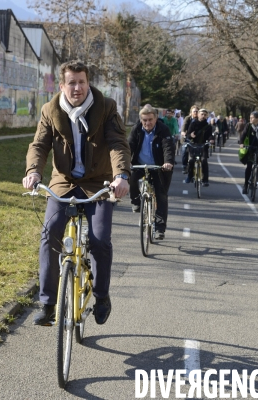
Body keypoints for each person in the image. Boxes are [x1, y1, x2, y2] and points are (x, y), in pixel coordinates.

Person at [23, 60, 131, 326]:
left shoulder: (106, 107)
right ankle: (48, 303)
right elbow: (39, 144)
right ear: (62, 86)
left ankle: (102, 296)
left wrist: (121, 176)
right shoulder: (50, 110)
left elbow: (118, 143)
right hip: (63, 181)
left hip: (99, 183)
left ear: (88, 83)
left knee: (99, 240)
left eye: (82, 82)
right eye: (71, 82)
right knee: (49, 236)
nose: (77, 88)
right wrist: (34, 172)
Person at [128, 105, 174, 240]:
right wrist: (126, 161)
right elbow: (129, 146)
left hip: (159, 167)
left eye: (150, 120)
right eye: (144, 120)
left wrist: (168, 162)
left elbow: (168, 147)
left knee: (161, 196)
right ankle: (136, 202)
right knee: (131, 179)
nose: (147, 123)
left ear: (156, 118)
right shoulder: (136, 129)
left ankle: (160, 229)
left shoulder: (163, 129)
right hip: (140, 164)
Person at [238, 111, 258, 194]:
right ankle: (245, 185)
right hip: (250, 147)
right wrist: (241, 143)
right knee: (249, 166)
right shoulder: (248, 125)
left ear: (257, 119)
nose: (250, 119)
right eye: (250, 117)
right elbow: (243, 134)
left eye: (252, 118)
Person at [184, 108, 213, 186]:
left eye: (205, 115)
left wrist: (211, 140)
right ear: (198, 115)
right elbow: (188, 135)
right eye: (202, 114)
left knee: (204, 161)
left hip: (203, 146)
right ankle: (189, 176)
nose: (203, 116)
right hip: (194, 145)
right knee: (191, 161)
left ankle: (205, 180)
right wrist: (191, 135)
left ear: (207, 116)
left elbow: (210, 136)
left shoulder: (208, 126)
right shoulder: (193, 124)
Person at [181, 105, 199, 173]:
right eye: (194, 111)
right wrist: (183, 133)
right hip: (187, 138)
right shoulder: (187, 118)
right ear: (191, 112)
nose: (195, 113)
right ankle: (184, 166)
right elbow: (184, 127)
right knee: (185, 150)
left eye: (197, 112)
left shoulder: (200, 119)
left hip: (197, 138)